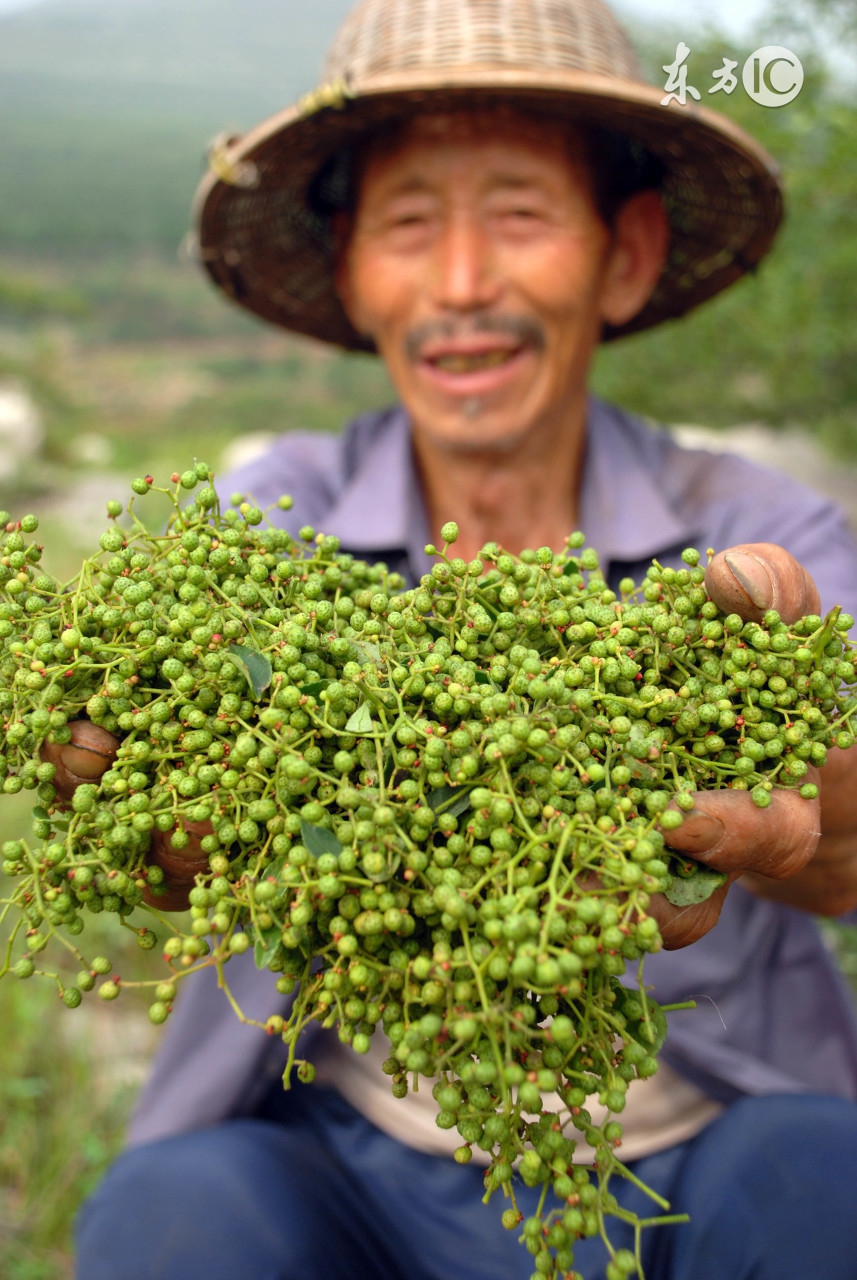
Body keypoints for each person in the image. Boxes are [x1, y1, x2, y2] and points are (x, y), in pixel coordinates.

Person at [75, 0, 857, 1277]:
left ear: (624, 250)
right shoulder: (278, 516)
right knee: (178, 1213)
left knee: (827, 1186)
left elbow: (839, 818)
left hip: (700, 1145)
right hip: (344, 1150)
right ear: (349, 268)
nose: (457, 284)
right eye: (406, 224)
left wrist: (809, 794)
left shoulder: (754, 530)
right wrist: (161, 803)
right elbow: (181, 797)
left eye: (517, 212)